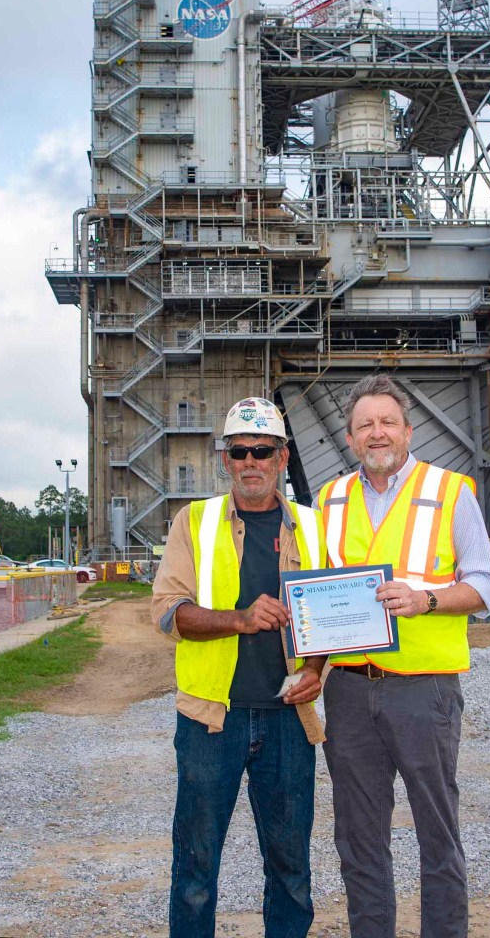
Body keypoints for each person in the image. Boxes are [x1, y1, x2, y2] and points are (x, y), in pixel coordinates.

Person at [317, 373, 490, 938]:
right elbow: (318, 592)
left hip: (425, 690)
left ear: (407, 430)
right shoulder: (330, 499)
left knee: (436, 833)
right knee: (358, 837)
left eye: (387, 422)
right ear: (350, 438)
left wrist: (426, 599)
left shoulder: (451, 492)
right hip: (349, 689)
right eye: (364, 425)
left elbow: (487, 587)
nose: (377, 433)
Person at [151, 396, 327, 938]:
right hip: (211, 720)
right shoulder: (194, 522)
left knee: (292, 866)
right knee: (197, 866)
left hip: (288, 723)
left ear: (282, 457)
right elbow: (166, 612)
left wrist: (317, 669)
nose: (251, 461)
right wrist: (240, 619)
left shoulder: (314, 526)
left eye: (263, 450)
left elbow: (331, 618)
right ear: (225, 460)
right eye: (240, 451)